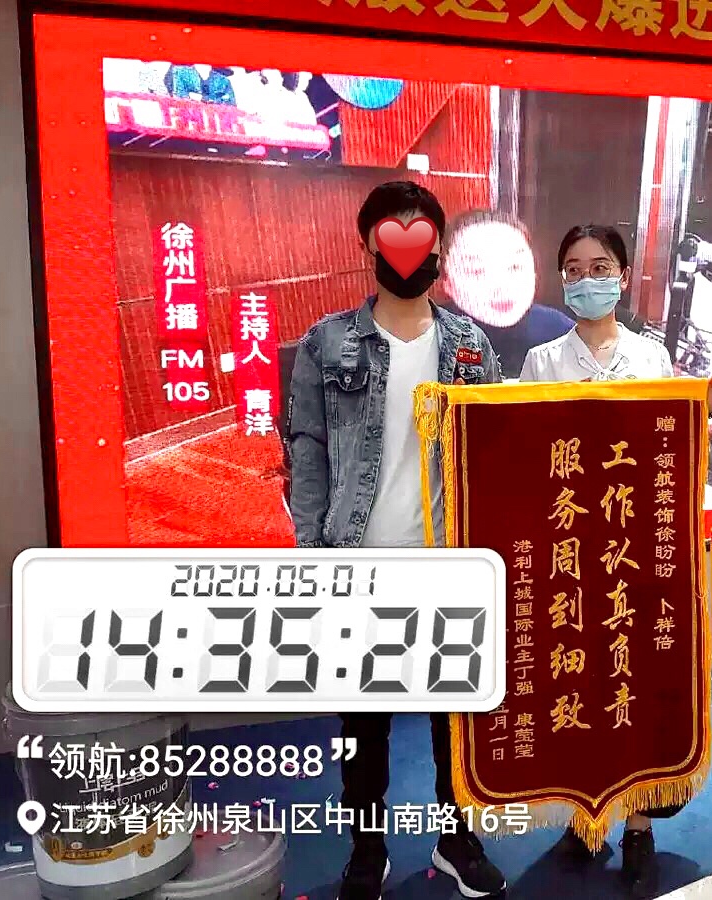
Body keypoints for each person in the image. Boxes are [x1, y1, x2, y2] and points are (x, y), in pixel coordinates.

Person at [287, 181, 507, 900]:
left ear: (439, 249)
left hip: (448, 566)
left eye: (421, 233)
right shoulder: (327, 342)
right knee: (364, 726)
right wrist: (313, 556)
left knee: (456, 721)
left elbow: (495, 451)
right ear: (368, 246)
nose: (409, 248)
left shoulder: (470, 344)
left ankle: (457, 839)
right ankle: (366, 850)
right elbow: (307, 454)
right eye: (392, 231)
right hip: (357, 565)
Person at [520, 224, 712, 897]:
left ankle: (640, 826)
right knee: (579, 687)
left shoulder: (652, 358)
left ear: (622, 277)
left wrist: (708, 402)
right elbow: (523, 449)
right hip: (570, 556)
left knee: (635, 688)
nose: (586, 279)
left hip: (638, 552)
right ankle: (585, 819)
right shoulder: (541, 361)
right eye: (572, 268)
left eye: (600, 267)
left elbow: (673, 442)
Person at [439, 210, 574, 376]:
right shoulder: (434, 335)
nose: (501, 285)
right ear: (446, 282)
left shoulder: (560, 332)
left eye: (515, 267)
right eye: (476, 271)